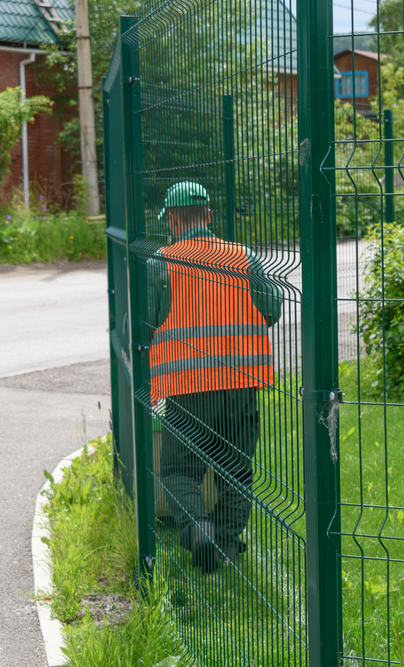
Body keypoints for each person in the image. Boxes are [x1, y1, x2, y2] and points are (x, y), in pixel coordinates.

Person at [147, 181, 282, 573]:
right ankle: (222, 544)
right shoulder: (244, 257)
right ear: (207, 216)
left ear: (173, 219)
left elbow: (147, 319)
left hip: (186, 388)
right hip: (241, 384)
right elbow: (271, 309)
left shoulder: (162, 262)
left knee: (178, 470)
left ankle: (199, 530)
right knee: (236, 470)